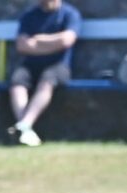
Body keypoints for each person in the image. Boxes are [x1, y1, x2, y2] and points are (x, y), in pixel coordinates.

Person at [8, 0, 81, 147]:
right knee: (17, 82)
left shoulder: (69, 14)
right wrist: (52, 44)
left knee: (47, 81)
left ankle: (24, 124)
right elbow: (22, 45)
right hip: (31, 65)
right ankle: (25, 127)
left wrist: (38, 41)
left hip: (59, 66)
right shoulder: (29, 16)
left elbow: (66, 40)